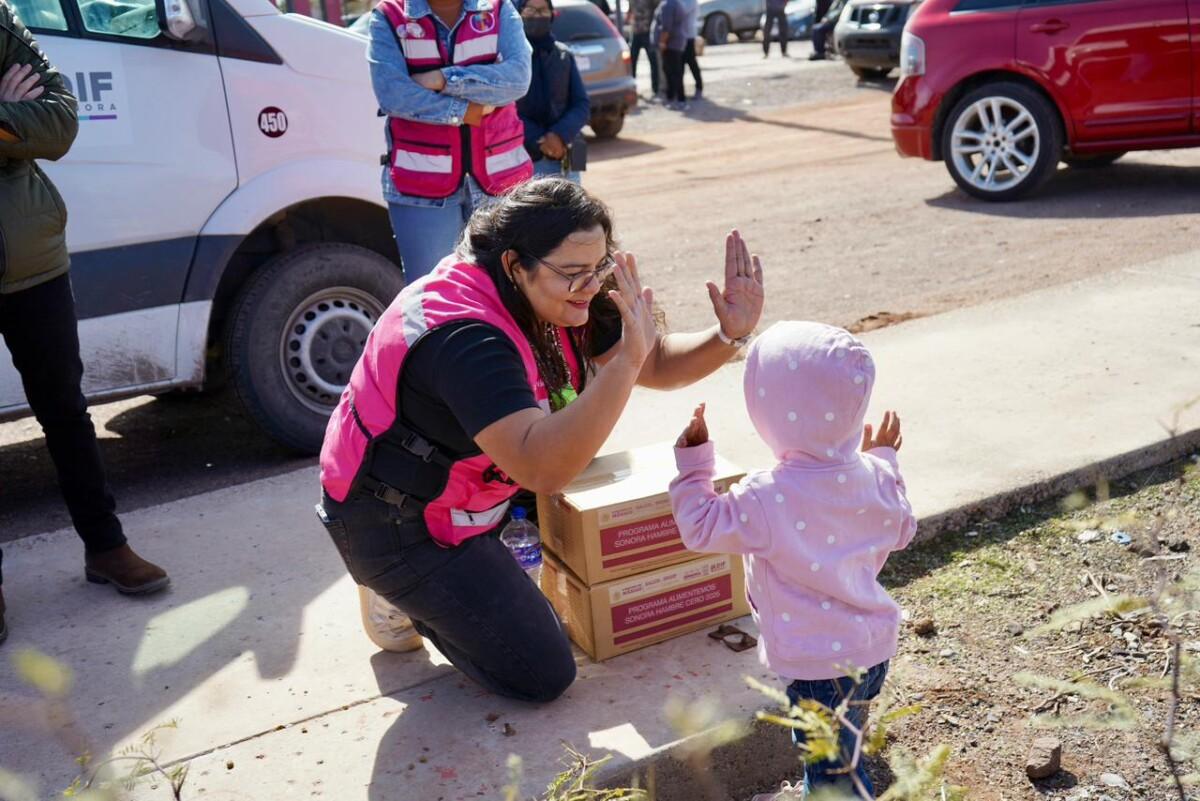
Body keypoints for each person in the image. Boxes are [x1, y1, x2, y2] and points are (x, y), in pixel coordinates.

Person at [316, 178, 765, 701]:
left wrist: (729, 334)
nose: (591, 286)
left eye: (599, 267)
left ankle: (462, 575)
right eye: (574, 274)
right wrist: (627, 363)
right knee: (543, 673)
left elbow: (657, 361)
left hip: (471, 483)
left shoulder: (566, 281)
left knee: (577, 443)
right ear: (513, 264)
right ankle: (398, 591)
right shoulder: (466, 337)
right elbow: (544, 469)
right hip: (395, 520)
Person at [669, 321, 917, 799]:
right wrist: (885, 461)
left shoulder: (767, 497)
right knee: (842, 745)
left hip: (815, 665)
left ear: (771, 413)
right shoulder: (874, 477)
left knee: (833, 774)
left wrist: (695, 463)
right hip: (873, 650)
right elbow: (902, 527)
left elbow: (699, 526)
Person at [0, 3, 169, 645]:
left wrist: (12, 117)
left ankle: (106, 547)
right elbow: (29, 127)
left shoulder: (1, 23)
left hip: (32, 258)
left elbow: (60, 124)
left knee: (66, 412)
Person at [367, 0, 533, 284]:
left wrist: (443, 80)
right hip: (421, 189)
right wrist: (466, 111)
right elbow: (394, 95)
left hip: (502, 185)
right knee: (433, 294)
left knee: (509, 290)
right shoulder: (388, 16)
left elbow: (517, 79)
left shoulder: (497, 8)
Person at [516, 0, 589, 184]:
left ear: (552, 14)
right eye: (530, 10)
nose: (537, 16)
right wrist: (541, 140)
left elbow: (582, 104)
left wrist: (559, 135)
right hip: (530, 154)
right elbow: (506, 109)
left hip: (570, 149)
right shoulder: (512, 59)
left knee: (576, 206)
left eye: (543, 11)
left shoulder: (564, 55)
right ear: (519, 13)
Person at [656, 0, 689, 109]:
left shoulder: (668, 5)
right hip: (676, 42)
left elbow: (666, 27)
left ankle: (677, 99)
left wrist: (662, 43)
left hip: (671, 43)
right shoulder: (675, 3)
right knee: (674, 72)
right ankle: (677, 99)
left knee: (672, 73)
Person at [629, 0, 660, 100]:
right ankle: (632, 90)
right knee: (632, 63)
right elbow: (630, 10)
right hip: (636, 32)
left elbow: (658, 10)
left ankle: (655, 89)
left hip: (647, 31)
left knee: (653, 62)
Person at [680, 0, 702, 100]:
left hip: (688, 35)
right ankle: (680, 92)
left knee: (691, 62)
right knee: (679, 65)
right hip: (680, 36)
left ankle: (699, 87)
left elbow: (681, 12)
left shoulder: (690, 1)